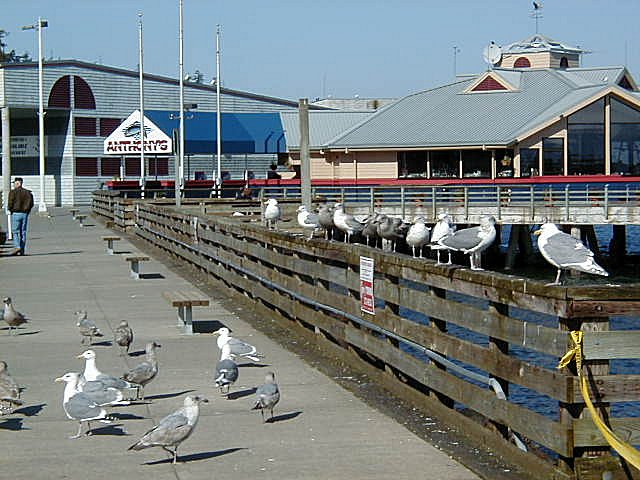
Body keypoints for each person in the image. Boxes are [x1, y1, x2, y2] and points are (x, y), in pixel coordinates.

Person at [8, 177, 34, 256]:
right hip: (24, 214)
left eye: (14, 183)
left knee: (15, 231)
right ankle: (22, 250)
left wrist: (10, 210)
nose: (14, 185)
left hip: (16, 213)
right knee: (23, 232)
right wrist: (27, 212)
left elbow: (10, 203)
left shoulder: (13, 192)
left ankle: (17, 246)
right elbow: (31, 204)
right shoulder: (28, 193)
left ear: (17, 183)